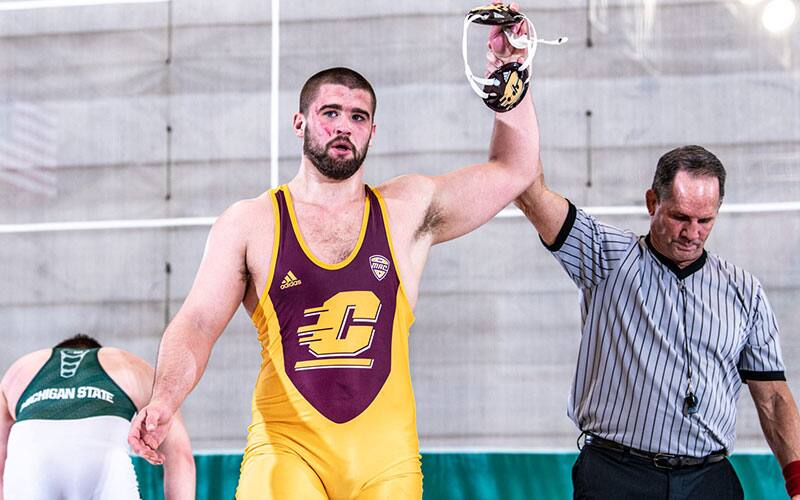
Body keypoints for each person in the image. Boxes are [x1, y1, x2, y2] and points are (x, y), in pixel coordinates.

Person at [126, 3, 539, 498]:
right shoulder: (251, 222)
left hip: (386, 464)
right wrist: (165, 399)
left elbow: (514, 170)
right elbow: (196, 323)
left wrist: (510, 75)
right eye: (330, 113)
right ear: (300, 122)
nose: (344, 126)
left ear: (372, 132)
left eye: (358, 117)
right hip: (287, 451)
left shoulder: (406, 209)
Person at [515, 145, 800, 499]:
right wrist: (512, 105)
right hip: (617, 476)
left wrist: (798, 482)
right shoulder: (606, 257)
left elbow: (772, 397)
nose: (692, 233)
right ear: (652, 202)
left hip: (707, 479)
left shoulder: (744, 290)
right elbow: (530, 193)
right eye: (680, 217)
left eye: (705, 220)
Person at [0, 334, 195, 500]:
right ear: (98, 351)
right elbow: (180, 456)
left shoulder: (21, 368)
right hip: (104, 466)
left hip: (29, 464)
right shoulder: (128, 362)